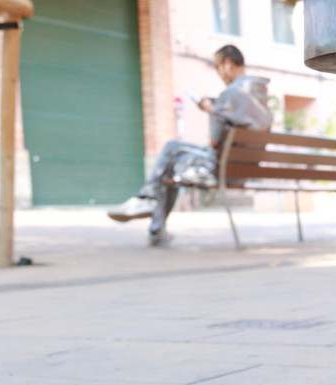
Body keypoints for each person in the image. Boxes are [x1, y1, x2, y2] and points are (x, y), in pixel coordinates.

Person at [108, 44, 273, 245]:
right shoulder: (261, 94)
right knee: (170, 167)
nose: (219, 73)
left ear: (228, 64)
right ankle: (154, 226)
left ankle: (147, 200)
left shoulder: (233, 93)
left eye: (217, 66)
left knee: (171, 149)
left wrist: (211, 109)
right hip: (244, 170)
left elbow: (215, 141)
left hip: (220, 168)